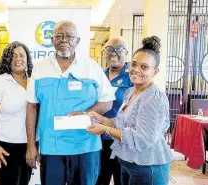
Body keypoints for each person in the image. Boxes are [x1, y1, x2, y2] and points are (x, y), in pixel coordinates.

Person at [25, 20, 116, 185]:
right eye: (59, 36)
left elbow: (107, 100)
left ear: (78, 41)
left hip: (85, 145)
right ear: (52, 40)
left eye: (69, 36)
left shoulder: (91, 67)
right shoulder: (39, 68)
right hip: (51, 145)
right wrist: (31, 145)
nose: (64, 40)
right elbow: (31, 106)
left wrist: (87, 113)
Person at [87, 36, 173, 185]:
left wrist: (106, 129)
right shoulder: (131, 91)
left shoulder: (153, 96)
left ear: (156, 71)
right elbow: (123, 123)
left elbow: (141, 138)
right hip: (129, 163)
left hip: (148, 167)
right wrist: (103, 120)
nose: (136, 70)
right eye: (134, 64)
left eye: (144, 67)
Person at [0, 41, 33, 185]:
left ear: (27, 58)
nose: (18, 59)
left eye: (21, 55)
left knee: (25, 182)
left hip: (30, 144)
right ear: (7, 59)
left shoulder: (35, 81)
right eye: (13, 56)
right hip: (6, 146)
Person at [97, 36, 134, 185]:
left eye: (119, 49)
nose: (113, 53)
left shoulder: (132, 75)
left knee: (122, 180)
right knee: (100, 179)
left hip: (123, 140)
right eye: (109, 49)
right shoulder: (99, 75)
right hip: (101, 139)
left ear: (126, 52)